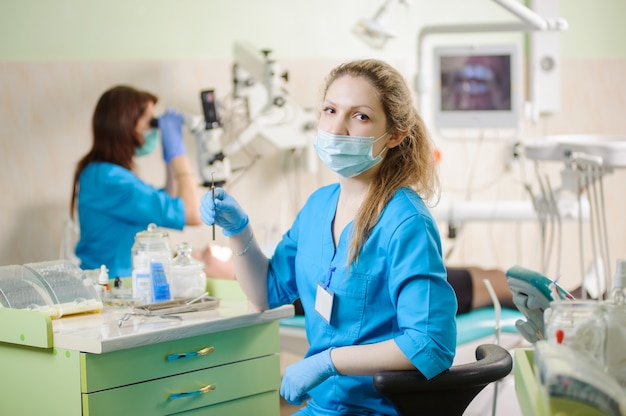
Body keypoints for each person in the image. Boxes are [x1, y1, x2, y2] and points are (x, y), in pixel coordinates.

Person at [200, 59, 458, 415]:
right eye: (330, 110)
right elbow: (266, 292)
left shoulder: (405, 221)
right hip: (323, 407)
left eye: (360, 116)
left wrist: (329, 362)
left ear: (395, 135)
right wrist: (238, 230)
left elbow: (430, 343)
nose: (337, 128)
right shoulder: (319, 206)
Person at [70, 85, 201, 278]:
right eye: (151, 122)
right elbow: (192, 213)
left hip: (116, 283)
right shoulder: (110, 180)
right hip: (111, 288)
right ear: (127, 125)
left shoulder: (102, 174)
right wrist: (178, 154)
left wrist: (169, 160)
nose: (154, 130)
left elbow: (167, 202)